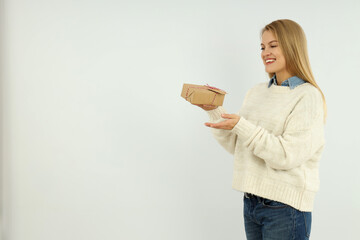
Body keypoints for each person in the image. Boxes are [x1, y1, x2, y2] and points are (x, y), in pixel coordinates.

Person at [193, 19, 327, 240]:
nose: (266, 52)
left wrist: (241, 125)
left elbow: (286, 155)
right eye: (263, 47)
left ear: (292, 46)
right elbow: (238, 145)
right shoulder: (256, 92)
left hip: (286, 208)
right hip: (252, 203)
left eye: (273, 45)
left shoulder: (307, 96)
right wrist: (214, 110)